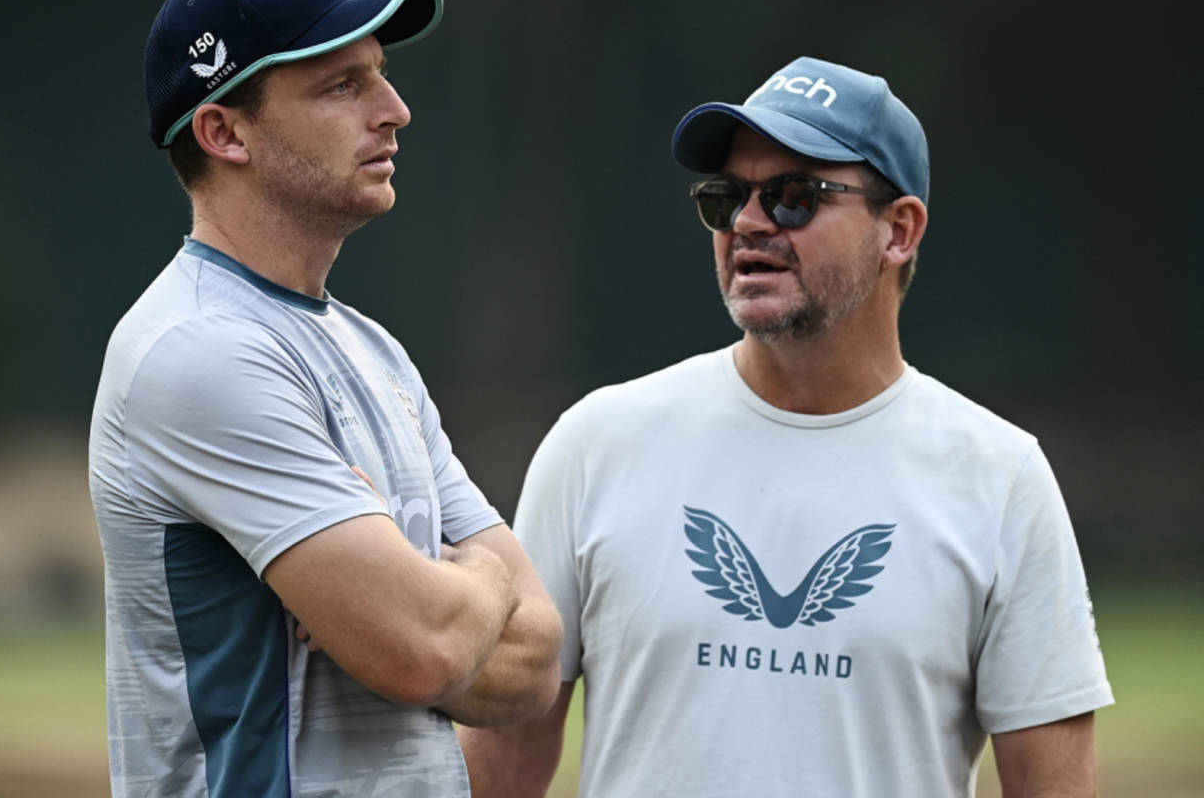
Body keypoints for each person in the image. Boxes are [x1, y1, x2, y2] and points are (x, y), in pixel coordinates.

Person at [460, 56, 1113, 797]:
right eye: (727, 197)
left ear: (898, 231)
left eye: (794, 196)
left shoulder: (1000, 477)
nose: (747, 222)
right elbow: (494, 772)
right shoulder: (596, 445)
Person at [88, 0, 561, 798]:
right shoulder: (197, 350)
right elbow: (424, 653)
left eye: (378, 74)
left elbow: (537, 663)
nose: (395, 110)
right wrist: (474, 579)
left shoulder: (375, 350)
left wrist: (413, 604)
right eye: (341, 86)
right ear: (222, 132)